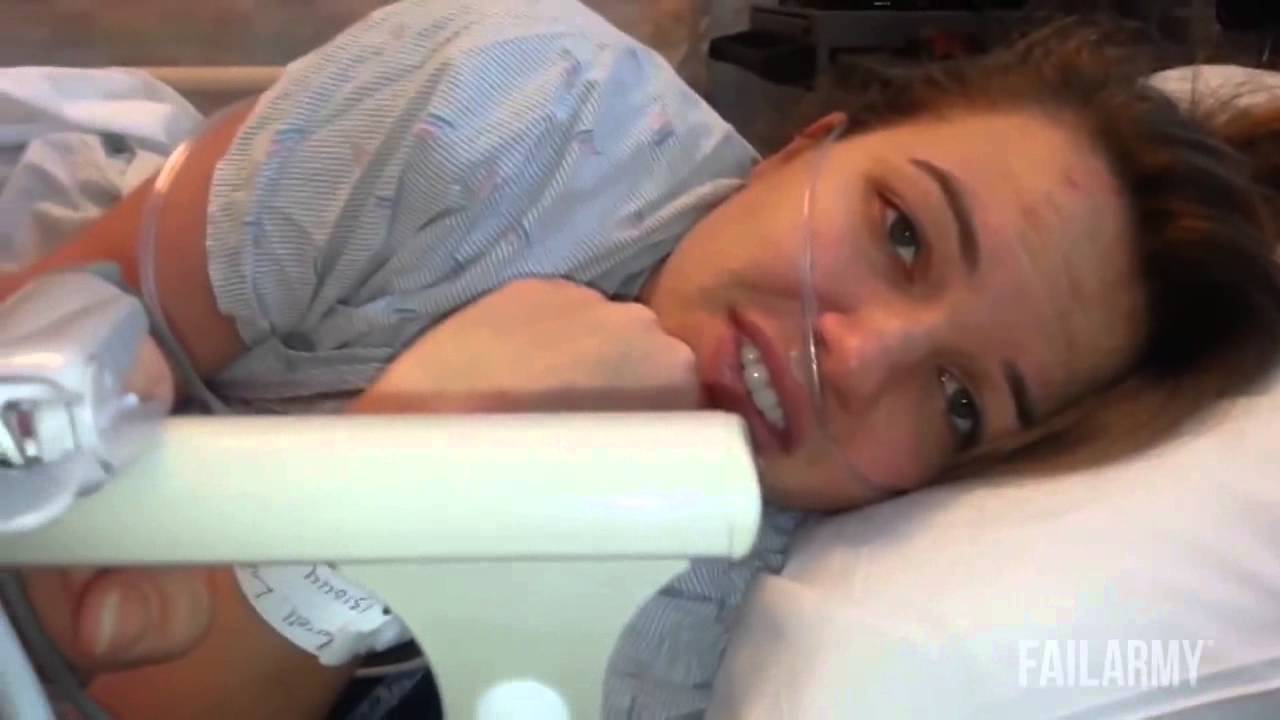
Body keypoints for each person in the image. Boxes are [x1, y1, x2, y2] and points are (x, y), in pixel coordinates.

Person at [6, 0, 1280, 716]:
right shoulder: (508, 108)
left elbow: (128, 685)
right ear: (803, 147)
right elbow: (55, 329)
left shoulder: (702, 627)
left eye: (956, 401)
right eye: (899, 231)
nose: (855, 358)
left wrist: (402, 486)